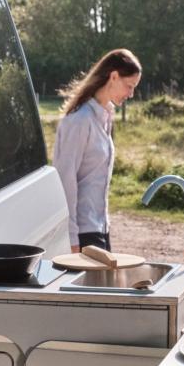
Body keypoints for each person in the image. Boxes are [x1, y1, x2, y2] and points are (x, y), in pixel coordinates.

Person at [53, 49, 142, 253]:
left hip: (100, 227)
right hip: (83, 233)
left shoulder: (105, 117)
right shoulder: (79, 121)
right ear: (113, 76)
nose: (131, 94)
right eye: (129, 86)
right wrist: (72, 237)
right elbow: (65, 181)